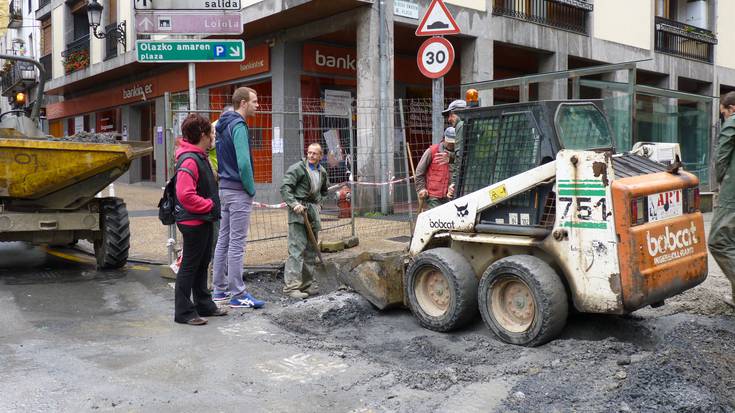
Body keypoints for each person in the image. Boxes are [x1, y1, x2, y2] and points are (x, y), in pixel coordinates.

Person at [212, 87, 265, 309]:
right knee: (237, 244)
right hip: (238, 191)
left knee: (223, 240)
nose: (257, 105)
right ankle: (238, 293)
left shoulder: (222, 124)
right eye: (254, 101)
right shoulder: (239, 126)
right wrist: (250, 189)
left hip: (224, 188)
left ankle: (219, 289)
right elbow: (243, 163)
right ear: (243, 103)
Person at [173, 113, 228, 325]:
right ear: (203, 134)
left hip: (201, 219)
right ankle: (184, 312)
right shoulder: (190, 159)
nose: (213, 136)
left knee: (201, 262)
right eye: (211, 132)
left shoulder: (197, 155)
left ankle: (204, 304)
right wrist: (208, 205)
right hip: (194, 220)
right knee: (189, 266)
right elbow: (185, 194)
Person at [280, 143, 329, 299]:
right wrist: (294, 204)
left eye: (315, 153)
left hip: (312, 212)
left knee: (310, 250)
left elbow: (324, 191)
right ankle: (291, 287)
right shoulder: (298, 168)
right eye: (309, 153)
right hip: (298, 212)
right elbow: (285, 188)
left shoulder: (322, 171)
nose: (311, 156)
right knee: (296, 249)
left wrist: (319, 203)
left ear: (321, 156)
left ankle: (305, 285)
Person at [709, 91, 735, 308]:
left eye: (723, 113)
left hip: (733, 192)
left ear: (732, 109)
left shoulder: (733, 123)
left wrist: (721, 182)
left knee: (718, 241)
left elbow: (722, 158)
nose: (724, 117)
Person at [415, 127, 456, 210]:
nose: (451, 144)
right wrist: (421, 189)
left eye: (453, 142)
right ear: (444, 138)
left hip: (452, 196)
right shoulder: (432, 151)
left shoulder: (458, 155)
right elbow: (419, 172)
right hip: (434, 197)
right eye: (449, 141)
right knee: (436, 219)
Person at [444, 99, 466, 197]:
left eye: (450, 115)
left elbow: (460, 156)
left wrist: (454, 183)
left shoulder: (460, 125)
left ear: (456, 113)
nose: (449, 119)